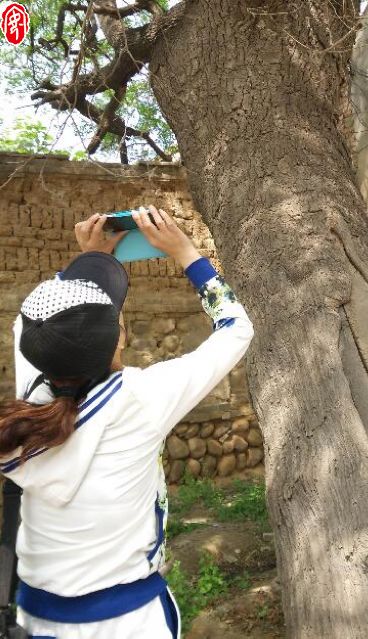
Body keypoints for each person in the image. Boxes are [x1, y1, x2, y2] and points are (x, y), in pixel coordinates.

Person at [0, 206, 255, 638]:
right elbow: (236, 328)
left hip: (34, 619)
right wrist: (186, 253)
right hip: (127, 624)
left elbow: (39, 324)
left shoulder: (30, 398)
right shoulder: (141, 399)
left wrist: (87, 263)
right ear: (119, 339)